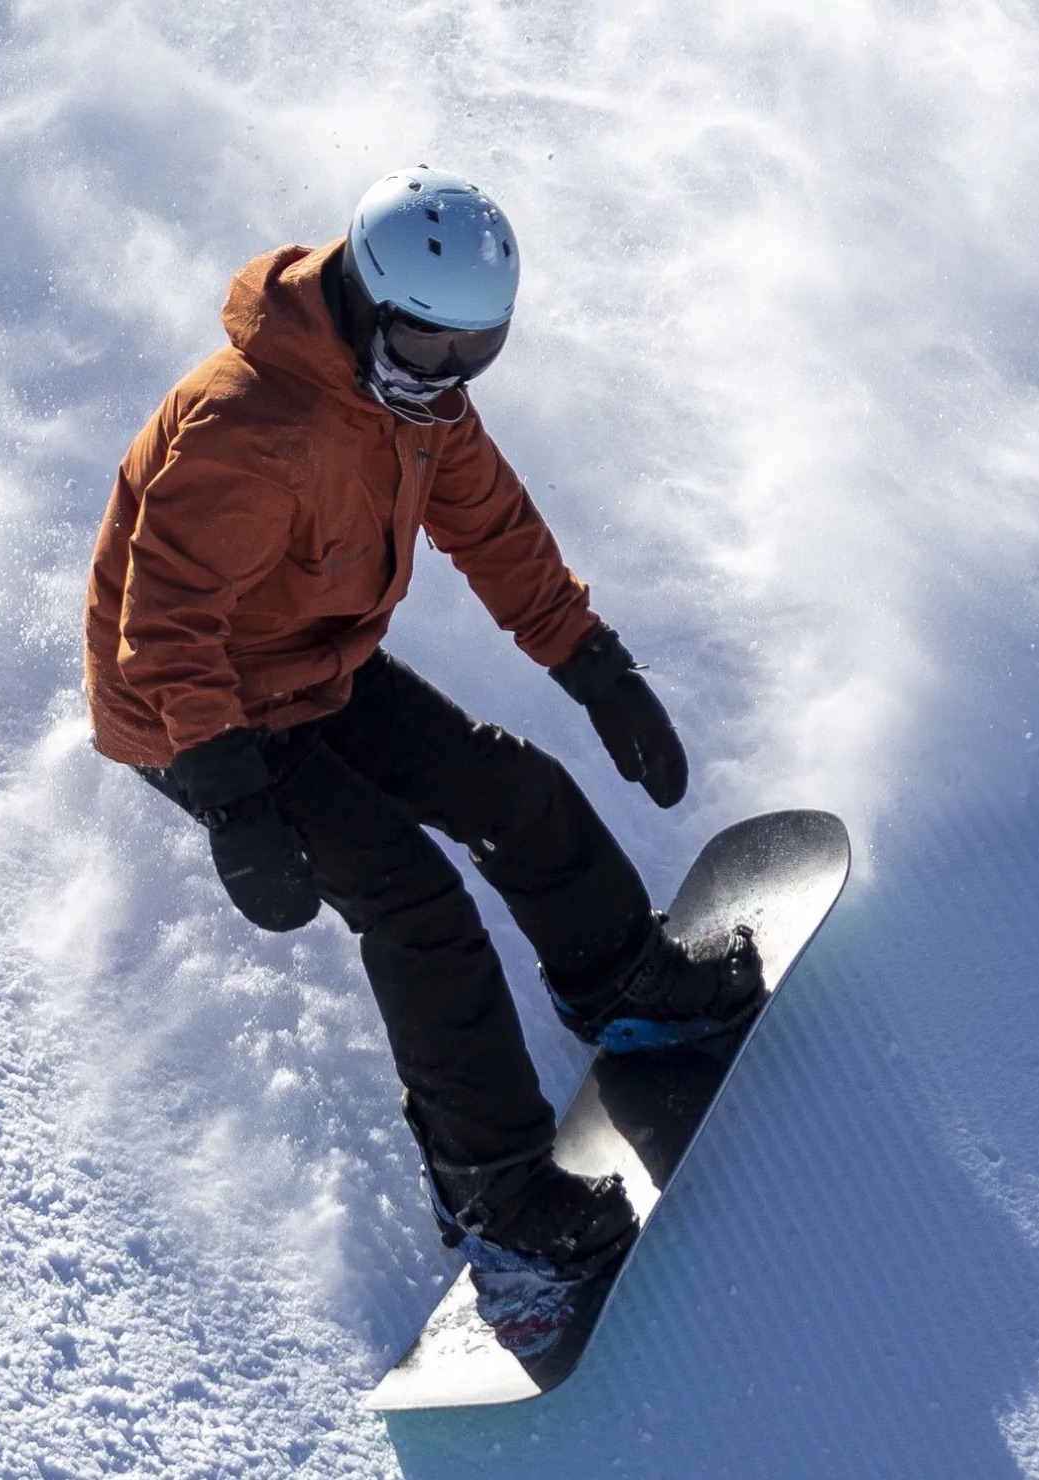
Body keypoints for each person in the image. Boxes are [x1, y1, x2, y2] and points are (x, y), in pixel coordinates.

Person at [80, 167, 762, 1346]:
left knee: (512, 788)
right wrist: (237, 805)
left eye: (476, 354)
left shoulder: (412, 400)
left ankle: (620, 980)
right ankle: (493, 1193)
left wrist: (591, 665)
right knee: (415, 906)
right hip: (203, 712)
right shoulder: (250, 422)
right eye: (430, 349)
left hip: (311, 664)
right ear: (362, 297)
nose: (450, 382)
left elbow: (491, 527)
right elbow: (167, 619)